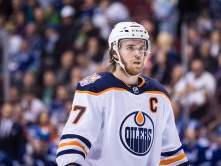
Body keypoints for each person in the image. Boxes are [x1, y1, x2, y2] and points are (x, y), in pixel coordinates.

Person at [56, 22, 189, 165]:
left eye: (142, 48)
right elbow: (72, 146)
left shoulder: (159, 94)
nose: (138, 53)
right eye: (130, 47)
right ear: (114, 52)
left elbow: (172, 157)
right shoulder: (96, 88)